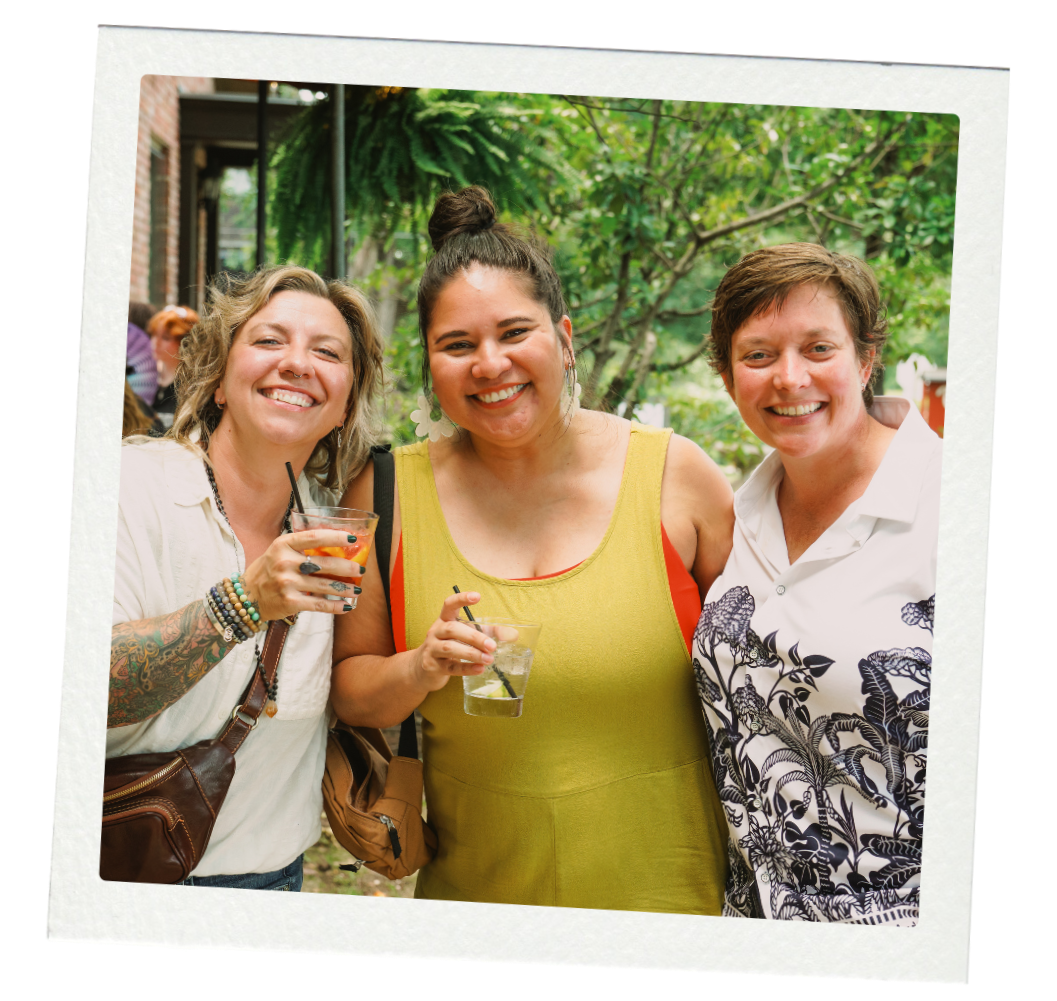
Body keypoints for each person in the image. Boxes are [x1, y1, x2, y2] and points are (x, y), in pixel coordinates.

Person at [331, 187, 734, 913]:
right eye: (456, 345)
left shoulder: (675, 475)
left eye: (514, 332)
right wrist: (420, 664)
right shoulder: (386, 491)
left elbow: (767, 667)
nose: (489, 363)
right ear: (430, 362)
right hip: (477, 906)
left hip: (677, 901)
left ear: (564, 336)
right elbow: (350, 685)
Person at [108, 265, 384, 890]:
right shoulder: (133, 487)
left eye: (327, 352)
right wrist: (242, 602)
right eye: (268, 341)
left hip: (273, 885)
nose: (296, 363)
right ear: (220, 382)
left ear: (343, 405)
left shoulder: (338, 525)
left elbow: (353, 688)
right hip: (131, 877)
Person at [692, 244, 941, 925]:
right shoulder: (738, 516)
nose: (788, 378)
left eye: (818, 348)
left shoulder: (955, 502)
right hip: (751, 922)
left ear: (864, 360)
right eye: (758, 355)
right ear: (725, 374)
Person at [148, 304, 200, 428]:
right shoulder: (147, 377)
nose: (156, 343)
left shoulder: (193, 389)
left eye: (165, 338)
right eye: (154, 335)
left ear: (185, 343)